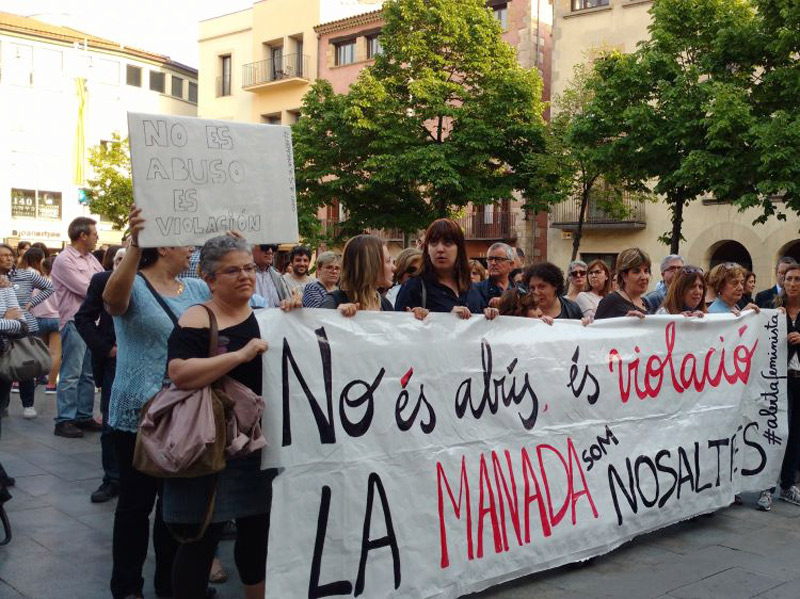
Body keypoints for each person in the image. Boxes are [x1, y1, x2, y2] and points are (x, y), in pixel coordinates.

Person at [103, 207, 210, 599]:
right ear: (163, 246)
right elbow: (112, 303)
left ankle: (171, 584)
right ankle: (127, 586)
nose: (191, 250)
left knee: (175, 508)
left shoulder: (197, 290)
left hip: (183, 414)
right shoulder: (133, 282)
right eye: (185, 242)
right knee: (135, 506)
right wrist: (134, 244)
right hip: (138, 413)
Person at [164, 236, 280, 599]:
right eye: (233, 270)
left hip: (257, 446)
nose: (244, 276)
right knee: (202, 539)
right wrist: (238, 356)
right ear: (210, 279)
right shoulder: (198, 317)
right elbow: (180, 372)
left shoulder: (268, 316)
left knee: (256, 535)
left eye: (248, 268)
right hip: (211, 446)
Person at [74, 246, 124, 504]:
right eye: (120, 259)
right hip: (115, 363)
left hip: (155, 363)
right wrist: (107, 350)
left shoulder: (165, 283)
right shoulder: (103, 281)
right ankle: (113, 479)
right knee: (111, 424)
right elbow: (83, 318)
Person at [51, 217, 104, 438]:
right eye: (94, 234)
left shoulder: (91, 259)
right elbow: (88, 288)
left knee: (88, 373)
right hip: (74, 320)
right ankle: (64, 419)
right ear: (82, 235)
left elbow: (103, 281)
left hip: (92, 321)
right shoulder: (64, 260)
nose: (97, 238)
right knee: (72, 372)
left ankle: (83, 415)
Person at [0, 244, 54, 419]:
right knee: (5, 367)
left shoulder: (25, 274)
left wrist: (31, 303)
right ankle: (3, 404)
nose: (8, 258)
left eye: (11, 255)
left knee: (25, 364)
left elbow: (50, 287)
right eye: (4, 255)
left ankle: (28, 404)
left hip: (24, 325)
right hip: (5, 328)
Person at [767, 263, 800, 511]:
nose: (792, 283)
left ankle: (787, 485)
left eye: (798, 279)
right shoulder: (773, 308)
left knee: (796, 435)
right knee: (777, 432)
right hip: (779, 380)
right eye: (789, 278)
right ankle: (766, 487)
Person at [395, 218, 473, 319]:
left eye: (447, 243)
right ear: (427, 248)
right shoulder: (414, 287)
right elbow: (398, 327)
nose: (440, 249)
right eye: (433, 243)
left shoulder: (471, 288)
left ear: (460, 248)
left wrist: (491, 314)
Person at [321, 235, 395, 313]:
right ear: (370, 267)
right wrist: (335, 316)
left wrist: (406, 320)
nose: (394, 268)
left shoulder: (385, 305)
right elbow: (317, 324)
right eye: (388, 261)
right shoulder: (333, 302)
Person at [594, 248, 653, 319]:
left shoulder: (647, 303)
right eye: (636, 271)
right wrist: (625, 322)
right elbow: (597, 328)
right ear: (624, 276)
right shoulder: (611, 302)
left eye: (646, 271)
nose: (644, 277)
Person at [31, 257, 60, 394]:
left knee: (38, 352)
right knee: (55, 353)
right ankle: (51, 385)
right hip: (57, 320)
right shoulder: (60, 283)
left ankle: (35, 378)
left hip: (39, 319)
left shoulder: (38, 283)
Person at [0, 277, 27, 421]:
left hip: (4, 353)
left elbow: (22, 324)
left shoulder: (5, 286)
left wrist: (5, 320)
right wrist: (7, 319)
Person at [467, 243, 515, 312]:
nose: (493, 263)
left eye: (498, 259)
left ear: (511, 264)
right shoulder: (475, 289)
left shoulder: (520, 291)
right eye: (490, 259)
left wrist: (505, 301)